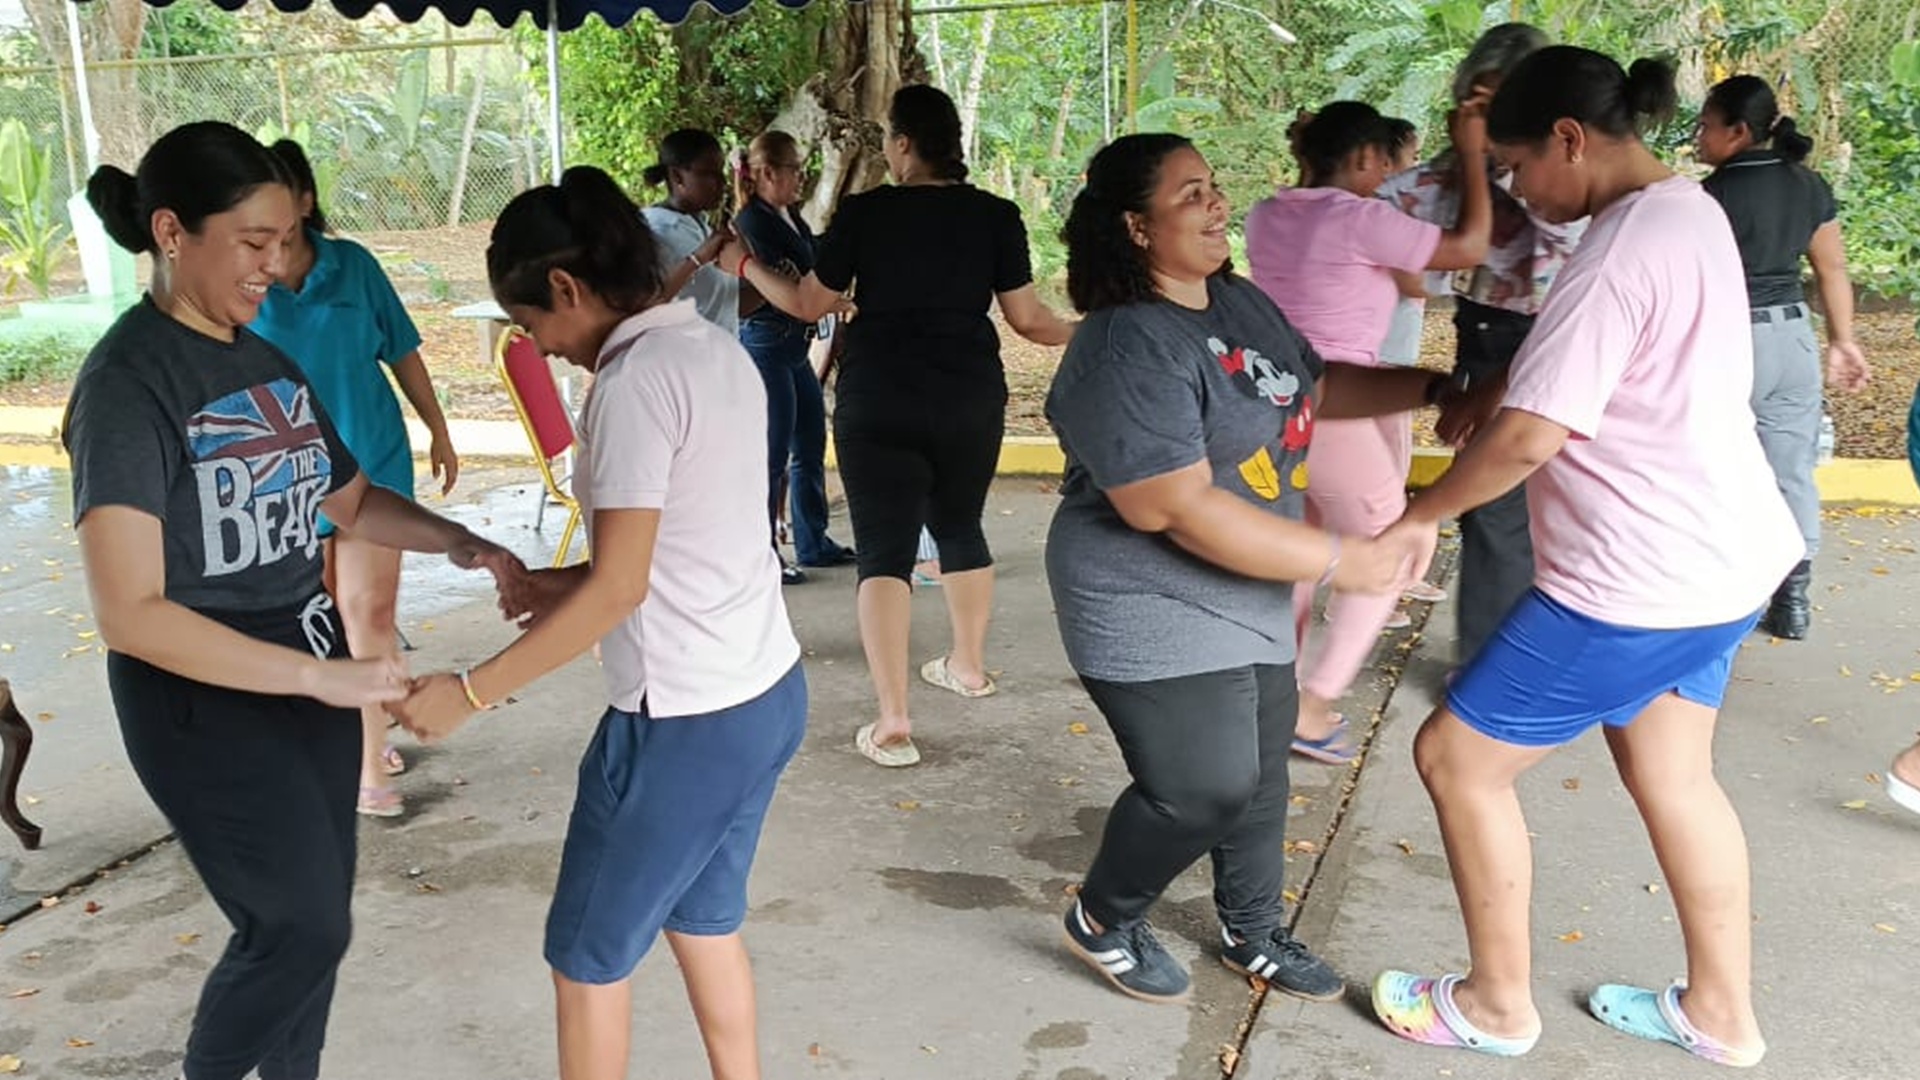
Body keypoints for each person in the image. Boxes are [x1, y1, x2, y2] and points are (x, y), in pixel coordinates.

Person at [1367, 50, 1798, 1067]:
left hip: (1633, 582)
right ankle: (1721, 1015)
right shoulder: (1685, 209)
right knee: (1676, 777)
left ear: (1568, 138)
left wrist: (1416, 516)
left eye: (1516, 166)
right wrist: (1505, 381)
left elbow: (1529, 440)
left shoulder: (1612, 252)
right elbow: (1610, 362)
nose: (1516, 191)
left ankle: (1494, 1004)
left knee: (1455, 763)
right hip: (1725, 561)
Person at [64, 120, 516, 1080]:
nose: (276, 265)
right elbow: (130, 612)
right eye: (253, 244)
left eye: (283, 241)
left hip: (305, 679)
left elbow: (349, 501)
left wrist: (465, 542)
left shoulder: (263, 361)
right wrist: (320, 675)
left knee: (322, 927)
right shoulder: (127, 385)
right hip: (202, 695)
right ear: (173, 231)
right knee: (294, 927)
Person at [389, 165, 806, 1080]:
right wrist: (556, 584)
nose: (541, 348)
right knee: (704, 926)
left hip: (681, 728)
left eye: (535, 325)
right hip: (764, 695)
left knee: (585, 960)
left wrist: (469, 691)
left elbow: (623, 591)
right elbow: (683, 539)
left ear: (569, 289)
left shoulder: (631, 384)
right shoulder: (710, 349)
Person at [1044, 133, 1448, 1005]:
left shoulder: (1235, 301)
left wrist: (1435, 390)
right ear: (1136, 226)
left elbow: (1316, 388)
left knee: (1261, 775)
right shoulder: (1126, 346)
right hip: (1144, 592)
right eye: (1191, 194)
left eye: (1213, 185)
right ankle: (1102, 916)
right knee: (1202, 789)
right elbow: (1170, 508)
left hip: (1250, 580)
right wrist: (1345, 557)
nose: (1217, 204)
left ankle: (1253, 930)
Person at [718, 84, 1074, 768]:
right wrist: (1091, 330)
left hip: (880, 394)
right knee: (961, 525)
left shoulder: (865, 214)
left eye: (887, 138)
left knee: (883, 551)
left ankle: (892, 720)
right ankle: (967, 666)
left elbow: (802, 303)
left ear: (905, 143)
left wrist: (742, 264)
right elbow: (1029, 320)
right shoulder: (994, 215)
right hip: (969, 393)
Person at [1245, 100, 1492, 764]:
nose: (1392, 175)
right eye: (1387, 162)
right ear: (1361, 158)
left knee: (1303, 551)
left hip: (1269, 397)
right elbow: (1469, 249)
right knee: (1393, 549)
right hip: (1336, 405)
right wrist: (1470, 151)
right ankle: (1312, 700)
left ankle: (1277, 690)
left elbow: (1409, 282)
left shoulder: (1268, 214)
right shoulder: (1358, 218)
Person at [250, 138, 459, 819]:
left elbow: (402, 351)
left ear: (306, 202)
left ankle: (368, 768)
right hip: (283, 479)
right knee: (317, 621)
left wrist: (439, 428)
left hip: (371, 467)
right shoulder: (244, 285)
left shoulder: (354, 268)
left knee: (368, 614)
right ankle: (355, 730)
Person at [1379, 22, 1585, 665]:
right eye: (1479, 103)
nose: (1492, 123)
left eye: (1504, 105)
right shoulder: (1447, 177)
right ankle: (1492, 666)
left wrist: (1478, 162)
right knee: (1495, 510)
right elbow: (1407, 239)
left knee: (1561, 500)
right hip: (1489, 335)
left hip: (1563, 334)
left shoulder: (1565, 171)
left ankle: (1540, 657)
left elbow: (1542, 242)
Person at [1698, 75, 1872, 640]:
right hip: (1793, 336)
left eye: (1706, 126)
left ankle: (1725, 594)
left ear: (1738, 131)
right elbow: (1832, 269)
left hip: (1729, 341)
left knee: (1717, 466)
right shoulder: (1808, 185)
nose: (1699, 138)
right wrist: (1842, 340)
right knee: (1791, 469)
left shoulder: (1711, 195)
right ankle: (1792, 597)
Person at [731, 130, 855, 575]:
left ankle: (812, 539)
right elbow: (791, 279)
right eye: (794, 169)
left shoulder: (788, 216)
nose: (801, 177)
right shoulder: (753, 224)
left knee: (808, 443)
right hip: (766, 342)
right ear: (766, 173)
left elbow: (808, 263)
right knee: (772, 454)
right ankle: (763, 553)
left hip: (794, 345)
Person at [642, 129, 744, 337]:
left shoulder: (704, 227)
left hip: (723, 362)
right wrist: (697, 260)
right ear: (677, 176)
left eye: (722, 173)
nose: (722, 183)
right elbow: (644, 309)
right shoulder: (655, 232)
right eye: (710, 174)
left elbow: (725, 308)